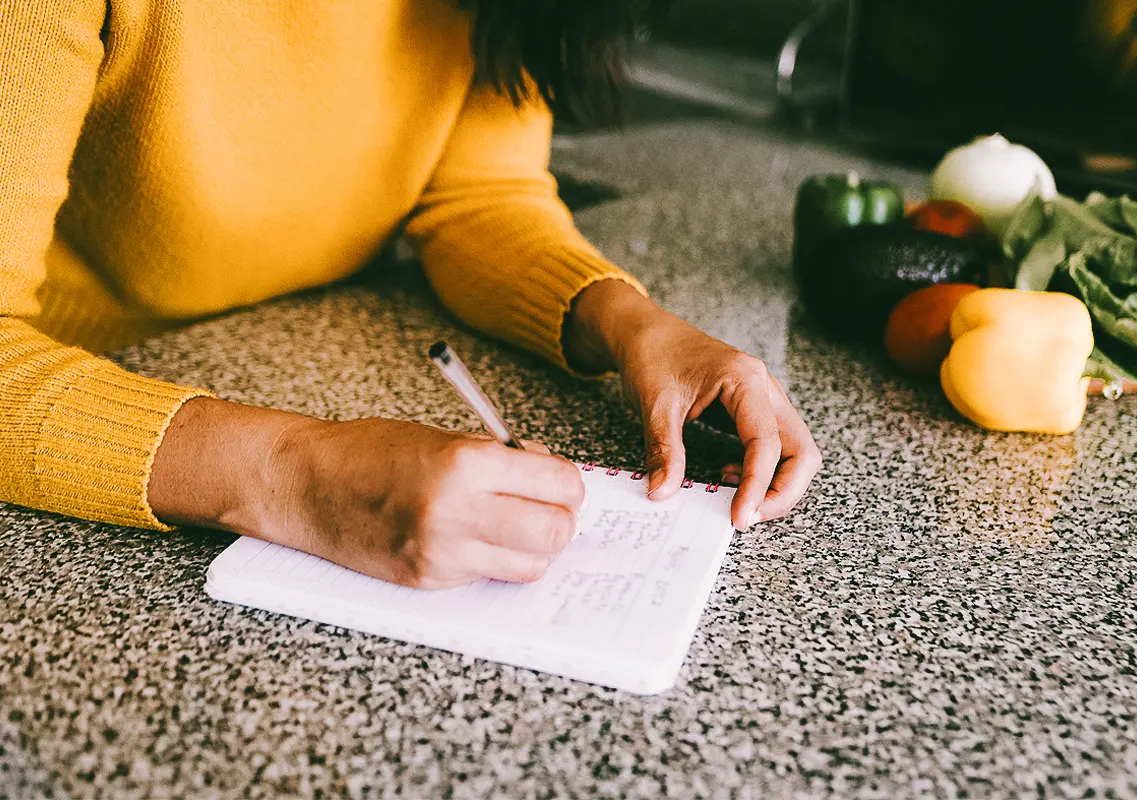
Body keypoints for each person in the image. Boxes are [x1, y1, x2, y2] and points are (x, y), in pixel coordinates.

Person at [0, 0, 820, 589]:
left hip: (295, 334)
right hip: (70, 398)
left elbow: (479, 196)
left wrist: (632, 323)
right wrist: (300, 476)